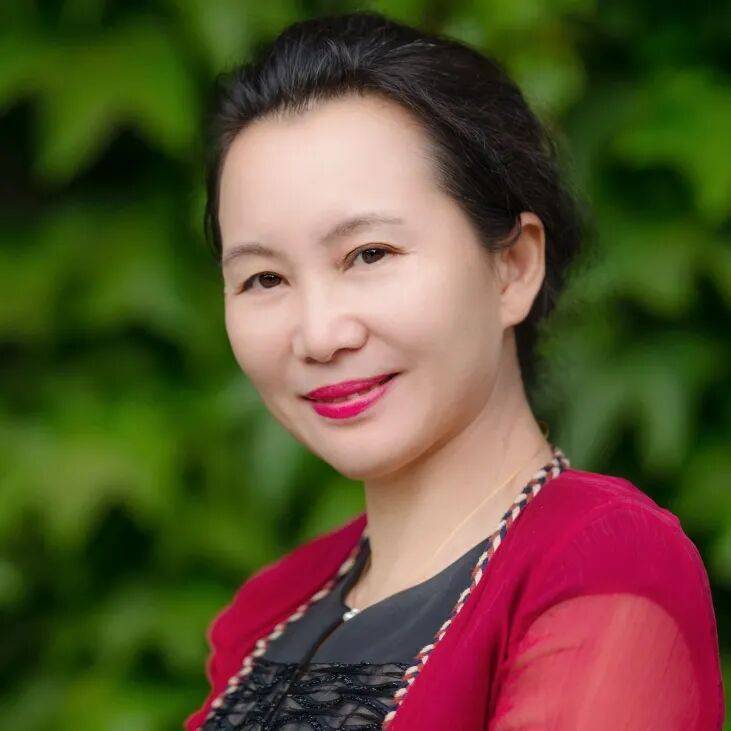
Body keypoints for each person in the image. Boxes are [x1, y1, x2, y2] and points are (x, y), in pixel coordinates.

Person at [185, 10, 724, 730]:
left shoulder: (601, 562)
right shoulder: (269, 610)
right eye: (263, 279)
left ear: (513, 266)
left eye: (369, 254)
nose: (319, 335)